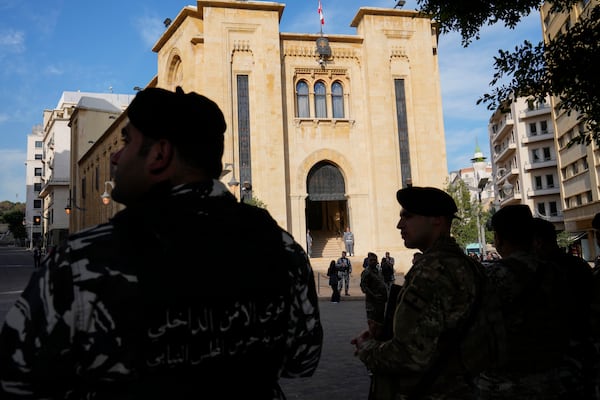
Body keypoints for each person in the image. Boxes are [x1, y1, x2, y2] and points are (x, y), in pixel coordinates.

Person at [0, 87, 323, 399]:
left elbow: (15, 378)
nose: (115, 156)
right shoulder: (283, 249)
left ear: (159, 154)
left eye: (126, 141)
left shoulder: (84, 261)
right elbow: (302, 360)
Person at [352, 186, 495, 400]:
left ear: (436, 219)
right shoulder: (470, 267)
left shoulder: (431, 270)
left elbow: (409, 355)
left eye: (407, 216)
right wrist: (389, 331)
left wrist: (367, 347)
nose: (399, 224)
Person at [480, 205, 573, 399]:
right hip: (555, 377)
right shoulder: (557, 272)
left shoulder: (493, 275)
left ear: (498, 238)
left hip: (506, 383)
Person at [532, 217, 596, 398]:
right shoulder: (579, 265)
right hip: (583, 352)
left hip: (561, 356)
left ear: (537, 242)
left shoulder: (541, 271)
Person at [359, 252, 388, 340]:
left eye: (375, 260)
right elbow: (364, 287)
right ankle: (372, 343)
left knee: (380, 323)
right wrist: (374, 296)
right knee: (373, 324)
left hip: (380, 302)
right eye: (371, 260)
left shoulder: (378, 271)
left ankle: (378, 340)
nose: (373, 262)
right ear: (368, 261)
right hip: (372, 303)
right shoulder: (366, 272)